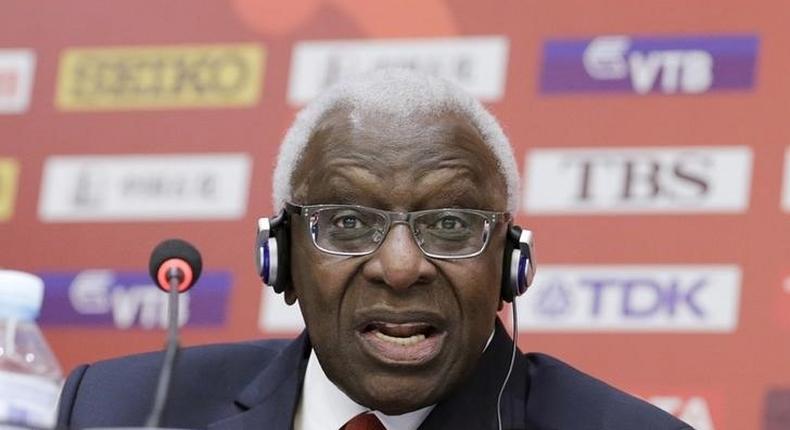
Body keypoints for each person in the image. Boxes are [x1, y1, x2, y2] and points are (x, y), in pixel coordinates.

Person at [56, 69, 692, 430]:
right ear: (280, 260)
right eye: (349, 221)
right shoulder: (121, 409)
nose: (400, 267)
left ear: (509, 264)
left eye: (449, 225)